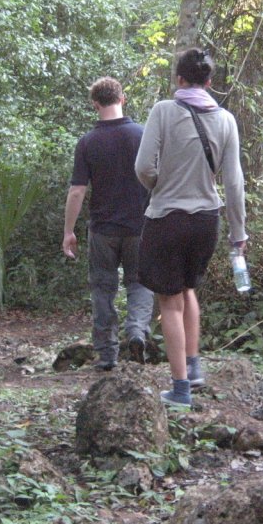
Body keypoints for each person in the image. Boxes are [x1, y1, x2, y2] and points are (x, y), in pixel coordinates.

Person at [134, 48, 247, 409]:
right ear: (210, 82)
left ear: (179, 79)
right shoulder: (226, 120)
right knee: (188, 288)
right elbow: (233, 183)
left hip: (167, 217)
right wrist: (238, 233)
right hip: (205, 220)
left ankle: (180, 388)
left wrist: (158, 185)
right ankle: (194, 367)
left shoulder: (164, 111)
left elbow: (142, 166)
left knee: (169, 301)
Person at [63, 77, 153, 370]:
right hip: (140, 226)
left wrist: (69, 231)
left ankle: (107, 355)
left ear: (95, 104)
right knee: (140, 282)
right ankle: (137, 331)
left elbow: (77, 191)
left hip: (102, 229)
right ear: (122, 99)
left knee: (103, 289)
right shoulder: (142, 135)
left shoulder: (88, 142)